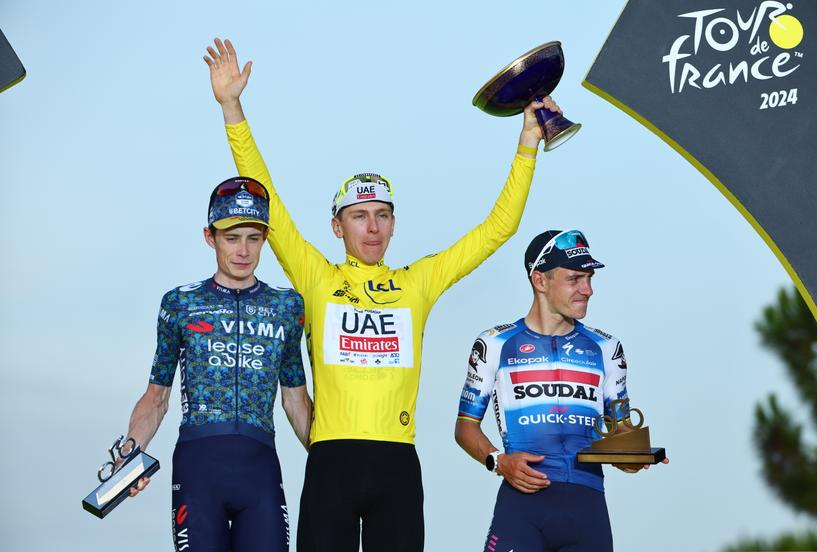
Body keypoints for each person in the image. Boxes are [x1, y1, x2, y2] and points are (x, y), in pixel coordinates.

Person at [203, 37, 559, 551]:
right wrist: (232, 107)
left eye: (382, 215)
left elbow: (497, 229)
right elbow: (267, 199)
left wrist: (527, 143)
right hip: (332, 461)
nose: (372, 228)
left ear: (393, 224)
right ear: (337, 226)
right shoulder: (318, 277)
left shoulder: (417, 282)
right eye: (359, 216)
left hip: (397, 463)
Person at [123, 177, 312, 552]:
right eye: (231, 237)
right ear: (210, 237)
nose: (243, 250)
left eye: (253, 238)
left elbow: (295, 399)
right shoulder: (179, 303)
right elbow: (157, 396)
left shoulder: (287, 307)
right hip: (199, 470)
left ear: (264, 240)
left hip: (260, 471)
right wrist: (130, 453)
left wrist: (330, 462)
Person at [455, 229, 666, 552]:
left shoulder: (607, 348)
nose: (588, 290)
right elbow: (465, 427)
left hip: (587, 508)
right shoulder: (495, 343)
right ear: (540, 280)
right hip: (521, 508)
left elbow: (621, 429)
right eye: (575, 279)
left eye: (590, 278)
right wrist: (498, 461)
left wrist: (633, 456)